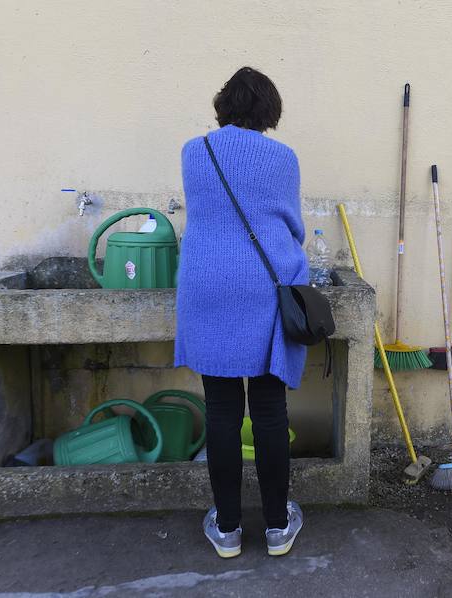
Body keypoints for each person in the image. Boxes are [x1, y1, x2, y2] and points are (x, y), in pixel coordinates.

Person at [175, 67, 307, 558]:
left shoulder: (195, 152)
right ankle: (277, 527)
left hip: (206, 286)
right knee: (270, 411)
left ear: (223, 103)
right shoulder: (283, 158)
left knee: (222, 411)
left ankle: (227, 529)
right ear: (269, 109)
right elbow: (290, 225)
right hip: (265, 289)